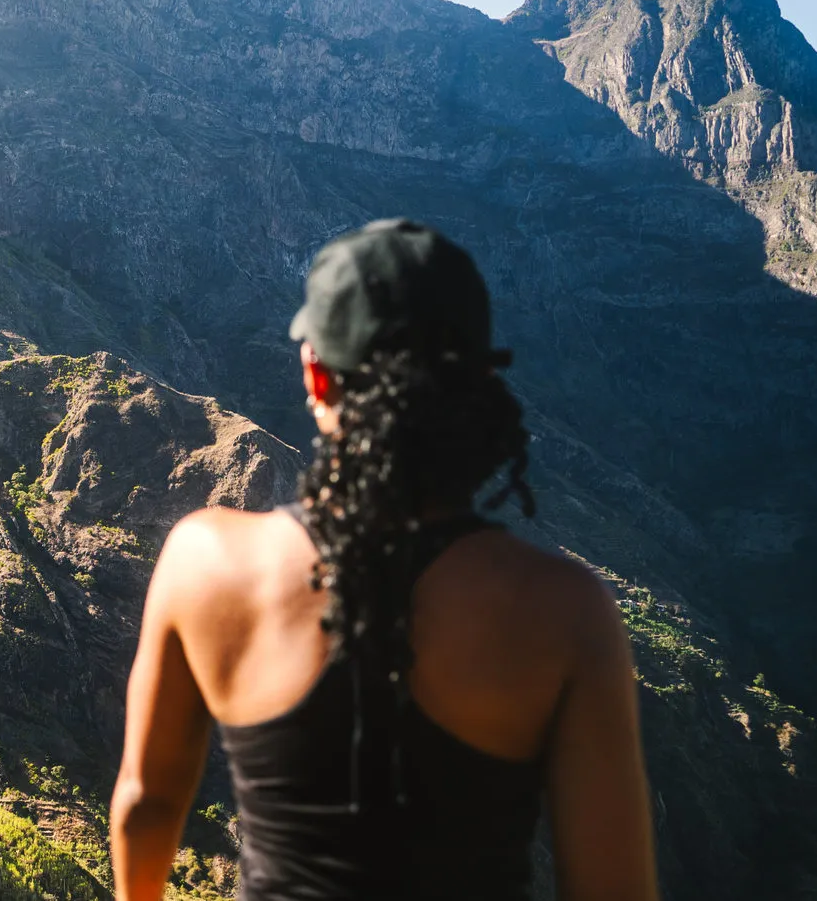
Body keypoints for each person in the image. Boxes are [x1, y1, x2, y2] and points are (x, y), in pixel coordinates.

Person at [110, 219, 656, 900]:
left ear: (315, 372)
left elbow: (145, 803)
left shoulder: (203, 560)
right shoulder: (565, 610)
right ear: (479, 383)